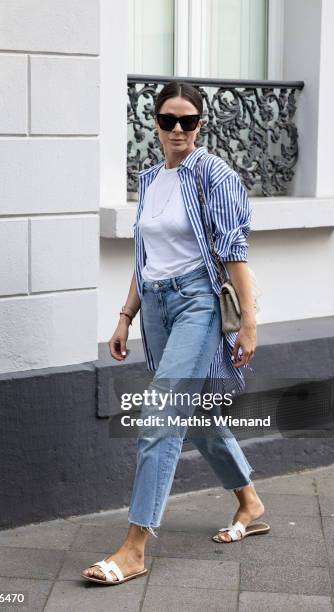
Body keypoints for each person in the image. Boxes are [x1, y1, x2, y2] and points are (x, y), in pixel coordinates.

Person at [81, 80, 270, 586]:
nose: (179, 129)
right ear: (155, 123)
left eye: (188, 120)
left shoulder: (215, 175)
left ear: (201, 124)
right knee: (200, 413)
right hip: (157, 308)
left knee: (160, 414)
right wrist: (125, 315)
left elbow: (235, 253)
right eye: (169, 120)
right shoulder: (149, 179)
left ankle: (134, 547)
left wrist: (248, 324)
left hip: (199, 303)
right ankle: (250, 502)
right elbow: (146, 258)